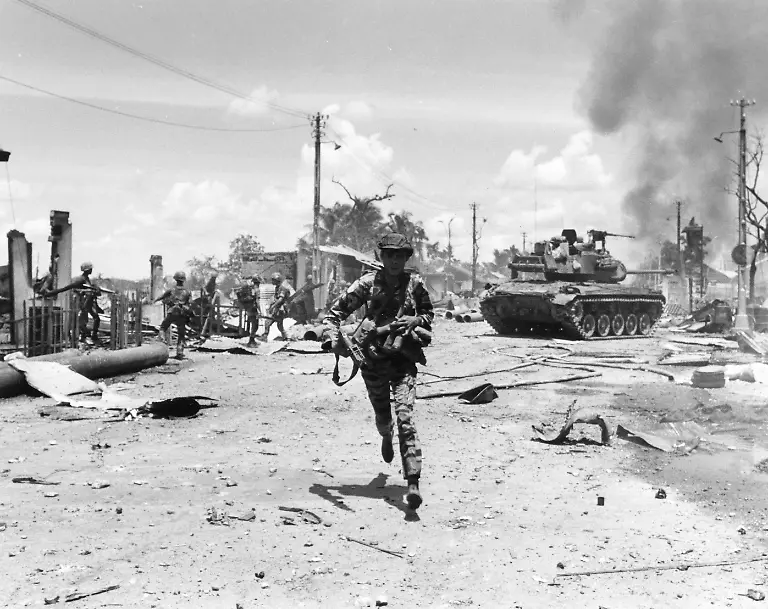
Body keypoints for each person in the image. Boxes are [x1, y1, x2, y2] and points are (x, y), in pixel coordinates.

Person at [323, 232, 434, 510]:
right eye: (389, 255)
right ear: (381, 257)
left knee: (406, 418)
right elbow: (334, 314)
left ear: (407, 257)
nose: (394, 260)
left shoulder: (415, 284)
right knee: (384, 416)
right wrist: (333, 339)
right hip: (372, 362)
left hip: (403, 361)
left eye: (400, 255)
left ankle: (412, 483)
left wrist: (416, 318)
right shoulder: (367, 284)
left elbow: (429, 314)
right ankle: (385, 435)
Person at [47, 261, 104, 345]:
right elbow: (72, 288)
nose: (91, 270)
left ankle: (93, 336)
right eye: (90, 269)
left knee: (96, 318)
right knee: (81, 321)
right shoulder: (81, 279)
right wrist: (86, 290)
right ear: (86, 270)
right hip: (83, 302)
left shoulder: (87, 279)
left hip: (89, 302)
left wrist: (94, 289)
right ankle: (82, 337)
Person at [154, 271, 192, 359]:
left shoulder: (171, 290)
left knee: (163, 328)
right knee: (181, 334)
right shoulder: (187, 291)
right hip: (182, 314)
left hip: (172, 311)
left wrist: (154, 300)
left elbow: (162, 296)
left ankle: (162, 340)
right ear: (183, 280)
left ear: (175, 279)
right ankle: (179, 352)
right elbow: (190, 303)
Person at [264, 272, 295, 341]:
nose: (272, 281)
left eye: (273, 280)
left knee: (267, 322)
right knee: (279, 325)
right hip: (278, 309)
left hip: (279, 309)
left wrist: (273, 306)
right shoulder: (277, 288)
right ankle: (285, 337)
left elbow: (280, 299)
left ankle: (264, 337)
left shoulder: (282, 288)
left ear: (277, 280)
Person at [235, 275, 262, 347]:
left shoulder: (251, 289)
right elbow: (257, 301)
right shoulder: (256, 290)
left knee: (253, 324)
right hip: (253, 308)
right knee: (255, 325)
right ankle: (251, 341)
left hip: (248, 308)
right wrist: (260, 311)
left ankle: (251, 340)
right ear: (258, 282)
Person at [200, 273, 221, 339]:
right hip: (207, 302)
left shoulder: (212, 283)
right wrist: (208, 295)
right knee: (208, 316)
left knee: (210, 316)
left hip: (209, 301)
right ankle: (207, 331)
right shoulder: (211, 283)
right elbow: (206, 289)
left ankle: (208, 330)